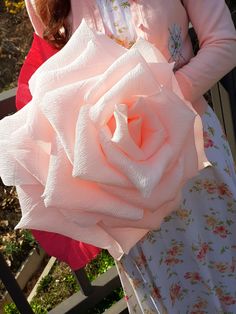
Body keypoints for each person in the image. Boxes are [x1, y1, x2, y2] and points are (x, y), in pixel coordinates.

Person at [21, 0, 236, 312]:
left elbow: (225, 43)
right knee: (168, 288)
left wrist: (158, 102)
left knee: (224, 261)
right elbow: (55, 77)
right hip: (120, 180)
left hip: (194, 152)